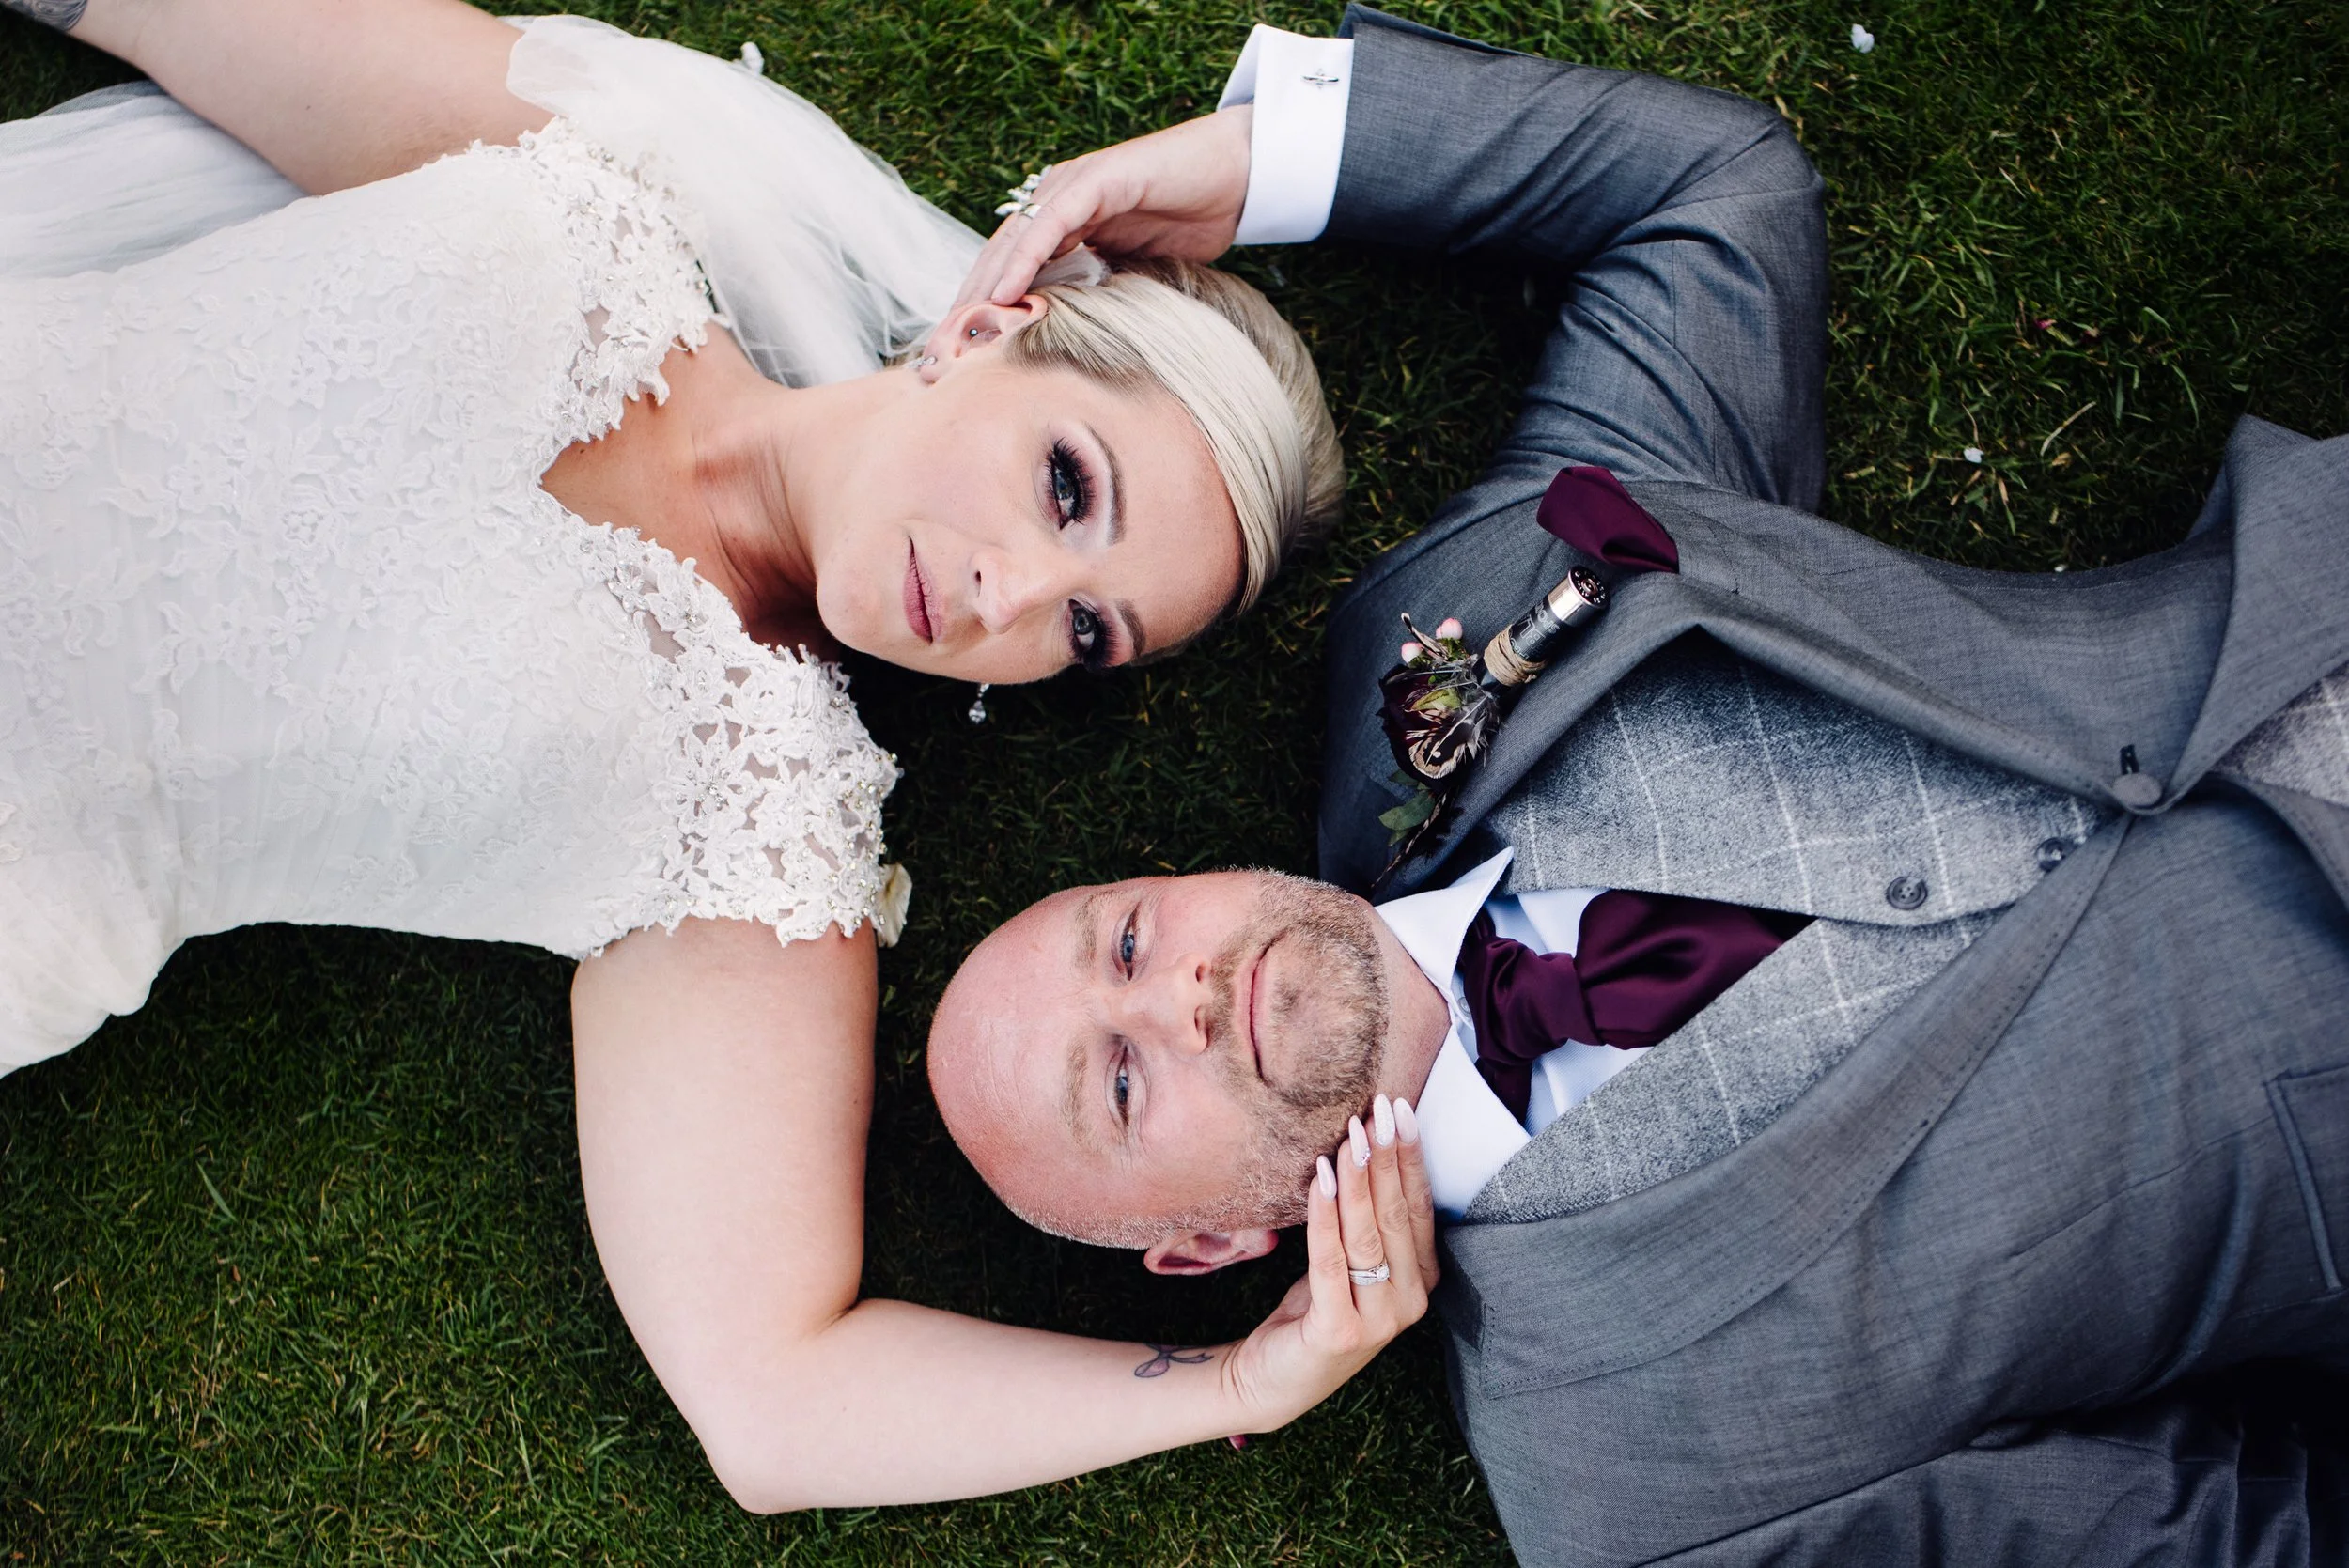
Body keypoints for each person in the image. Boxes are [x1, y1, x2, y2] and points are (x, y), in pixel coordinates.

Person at [928, 8, 2349, 1561]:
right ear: (1214, 1245)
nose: (1182, 998)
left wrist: (1263, 161)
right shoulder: (1632, 1487)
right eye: (1123, 1083)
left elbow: (1715, 201)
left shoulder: (1427, 655)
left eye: (1127, 942)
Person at [0, 0, 1434, 1511]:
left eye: (1087, 634)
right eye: (1065, 487)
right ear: (990, 331)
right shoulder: (576, 194)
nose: (1010, 594)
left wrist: (1236, 1385)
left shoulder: (756, 832)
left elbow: (774, 1398)